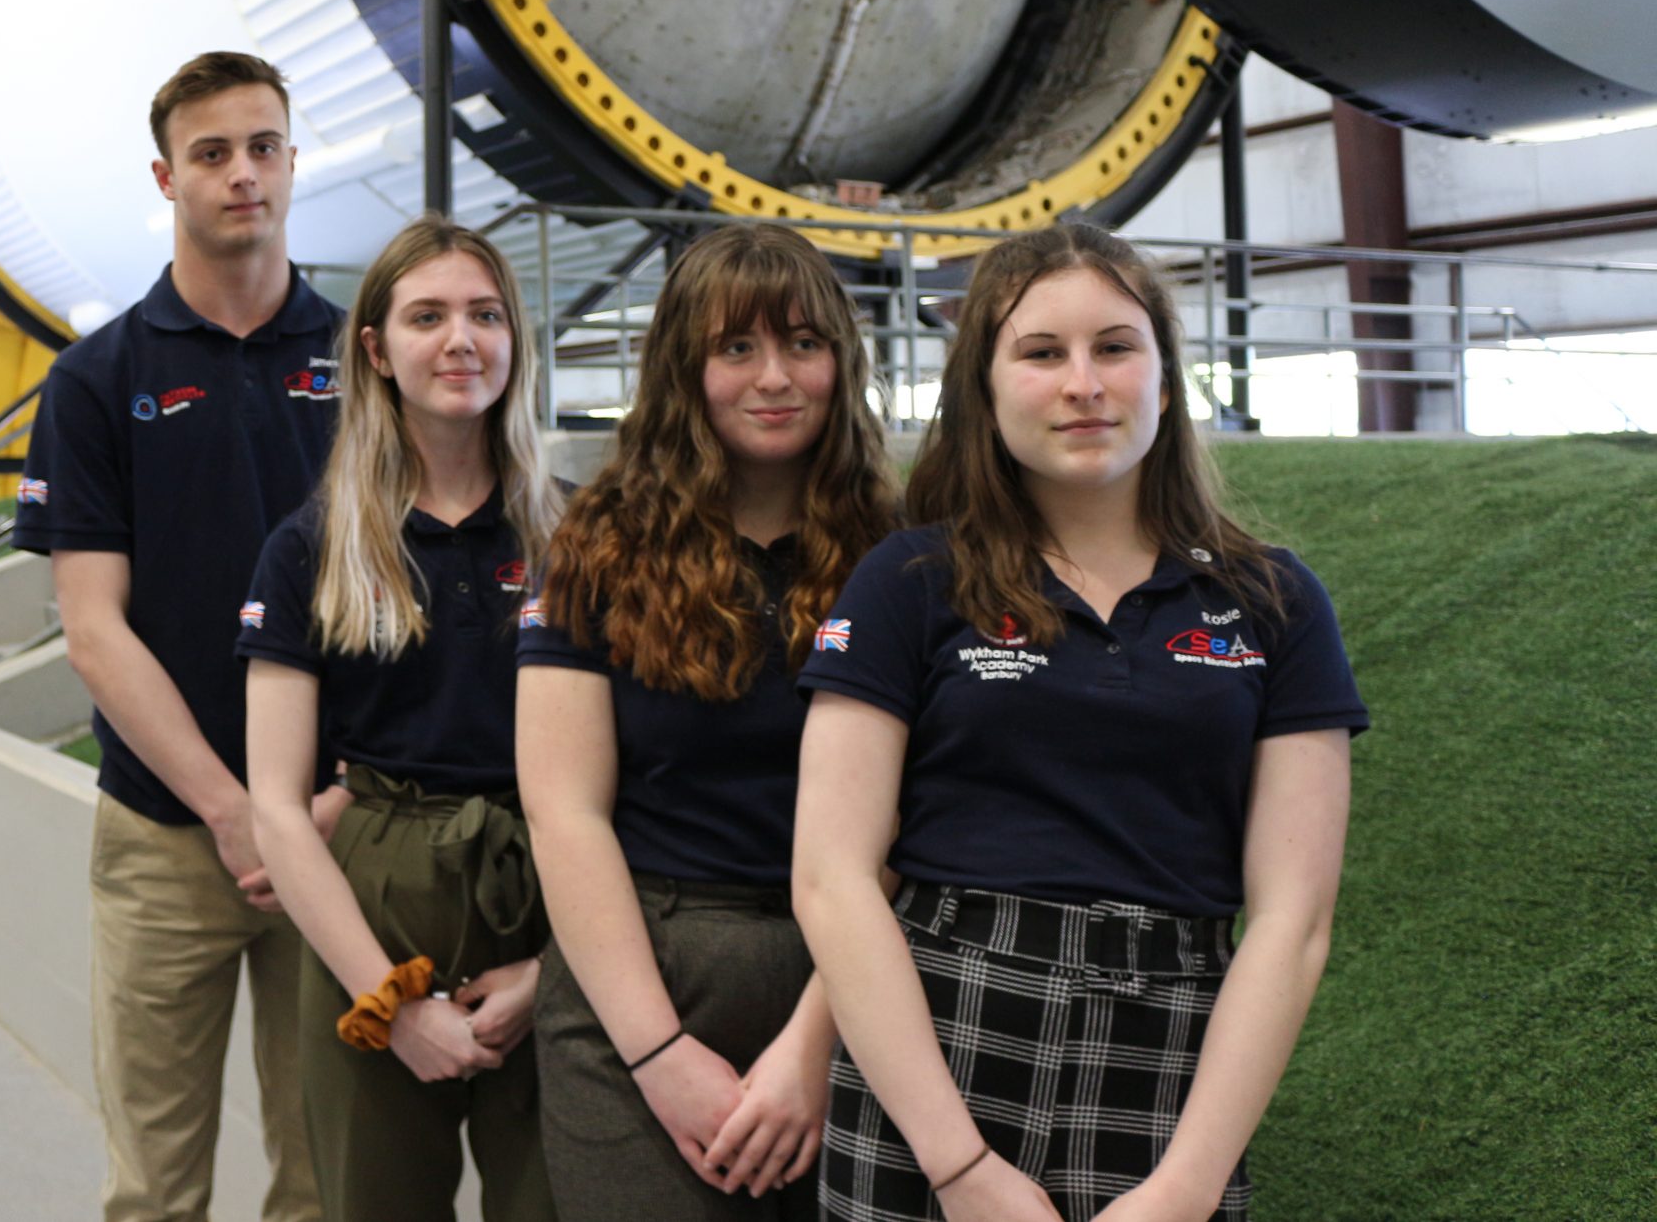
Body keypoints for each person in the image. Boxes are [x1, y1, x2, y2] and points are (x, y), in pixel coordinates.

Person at [793, 223, 1369, 1222]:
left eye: (1114, 346)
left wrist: (1185, 1187)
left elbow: (1293, 922)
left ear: (1165, 377)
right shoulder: (907, 582)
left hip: (1172, 1065)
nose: (1084, 384)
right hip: (935, 1050)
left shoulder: (1275, 601)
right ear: (983, 388)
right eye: (1041, 353)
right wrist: (958, 1168)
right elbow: (831, 879)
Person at [15, 51, 346, 1222]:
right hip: (165, 835)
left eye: (263, 147)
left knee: (327, 1181)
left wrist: (325, 804)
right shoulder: (96, 380)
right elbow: (93, 632)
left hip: (339, 829)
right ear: (166, 178)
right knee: (154, 1189)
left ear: (292, 162)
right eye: (211, 154)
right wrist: (230, 808)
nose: (242, 174)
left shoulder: (367, 363)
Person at [517, 224, 899, 1219]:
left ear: (840, 361)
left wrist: (813, 1049)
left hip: (853, 985)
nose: (774, 377)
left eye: (803, 344)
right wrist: (657, 1054)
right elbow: (564, 813)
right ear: (684, 369)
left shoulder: (901, 557)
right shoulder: (595, 545)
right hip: (639, 983)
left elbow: (916, 819)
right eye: (737, 347)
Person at [242, 219, 567, 1222]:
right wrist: (387, 1002)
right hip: (374, 903)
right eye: (427, 317)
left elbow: (637, 774)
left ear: (514, 340)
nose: (460, 340)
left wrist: (552, 975)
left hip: (550, 880)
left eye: (485, 315)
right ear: (377, 351)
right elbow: (277, 806)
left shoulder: (580, 536)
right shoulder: (314, 547)